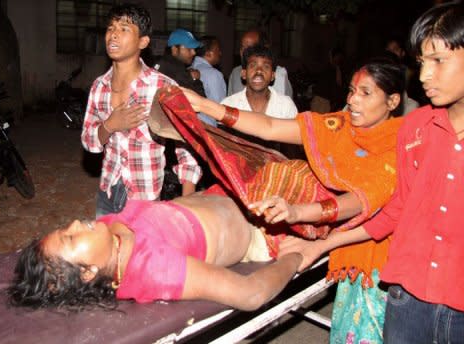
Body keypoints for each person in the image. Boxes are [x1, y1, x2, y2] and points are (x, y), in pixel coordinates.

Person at [182, 57, 405, 343]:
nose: (353, 101)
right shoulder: (339, 124)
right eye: (351, 91)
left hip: (375, 259)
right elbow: (271, 127)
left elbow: (359, 201)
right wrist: (207, 107)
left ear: (392, 101)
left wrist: (297, 212)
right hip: (327, 224)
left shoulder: (399, 145)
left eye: (366, 93)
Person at [278, 3, 464, 343]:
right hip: (409, 299)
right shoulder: (416, 130)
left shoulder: (397, 132)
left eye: (438, 60)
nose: (423, 77)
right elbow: (396, 210)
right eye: (422, 62)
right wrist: (323, 244)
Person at [8, 192, 302, 311]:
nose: (74, 223)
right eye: (71, 239)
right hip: (261, 227)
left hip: (229, 191)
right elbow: (250, 295)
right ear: (87, 272)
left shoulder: (109, 230)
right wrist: (298, 256)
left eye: (65, 229)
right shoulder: (154, 269)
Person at [81, 5, 201, 218]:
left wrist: (187, 200)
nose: (113, 34)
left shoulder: (162, 88)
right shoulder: (99, 87)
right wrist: (110, 125)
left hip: (145, 197)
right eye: (110, 28)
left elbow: (187, 145)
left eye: (124, 29)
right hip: (108, 191)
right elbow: (89, 142)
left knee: (140, 251)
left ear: (143, 42)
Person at [221, 44, 298, 154]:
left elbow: (293, 147)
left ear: (272, 75)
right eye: (253, 66)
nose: (259, 71)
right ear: (243, 73)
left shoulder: (285, 105)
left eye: (266, 66)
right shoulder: (229, 105)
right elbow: (223, 148)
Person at [154, 29, 213, 125]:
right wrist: (195, 80)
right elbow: (199, 103)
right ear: (174, 49)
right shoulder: (176, 69)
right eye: (189, 48)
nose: (194, 52)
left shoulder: (160, 63)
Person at [227, 29, 293, 98]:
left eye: (250, 47)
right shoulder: (235, 73)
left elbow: (283, 105)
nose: (244, 52)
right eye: (242, 47)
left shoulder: (279, 74)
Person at [192, 35, 226, 105]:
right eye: (218, 50)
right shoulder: (214, 74)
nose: (220, 53)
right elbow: (219, 106)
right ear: (208, 54)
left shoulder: (189, 69)